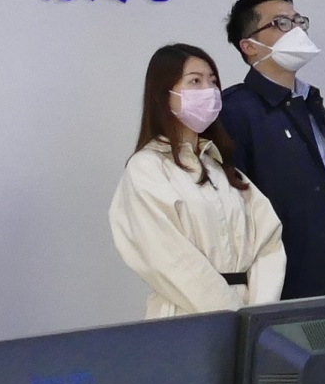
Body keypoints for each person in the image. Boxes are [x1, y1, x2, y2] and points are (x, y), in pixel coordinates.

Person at [213, 0, 325, 298]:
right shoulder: (234, 112)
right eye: (281, 23)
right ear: (249, 46)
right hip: (283, 292)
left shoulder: (310, 102)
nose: (296, 30)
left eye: (298, 21)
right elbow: (233, 217)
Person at [111, 45, 287, 316]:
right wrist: (232, 317)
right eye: (195, 81)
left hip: (249, 315)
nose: (209, 90)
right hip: (187, 316)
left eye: (213, 82)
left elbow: (268, 242)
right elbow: (168, 258)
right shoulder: (147, 168)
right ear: (164, 94)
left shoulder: (222, 169)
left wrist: (258, 313)